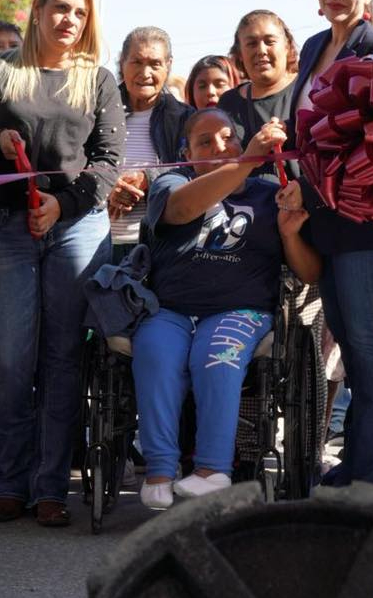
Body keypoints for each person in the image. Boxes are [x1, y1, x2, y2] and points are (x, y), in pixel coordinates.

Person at [0, 0, 124, 528]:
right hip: (5, 224)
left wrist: (62, 207)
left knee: (62, 358)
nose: (68, 20)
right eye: (60, 8)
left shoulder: (98, 80)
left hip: (76, 226)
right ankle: (11, 484)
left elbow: (106, 163)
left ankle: (51, 488)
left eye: (79, 12)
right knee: (8, 360)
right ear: (36, 10)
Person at [134, 110, 321, 509]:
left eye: (228, 138)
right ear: (185, 152)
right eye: (206, 142)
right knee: (154, 353)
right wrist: (247, 158)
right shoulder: (172, 182)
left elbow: (309, 272)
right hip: (172, 309)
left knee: (217, 356)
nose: (220, 146)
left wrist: (290, 236)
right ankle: (160, 471)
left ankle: (212, 470)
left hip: (242, 310)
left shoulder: (269, 191)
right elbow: (182, 211)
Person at [285, 0, 373, 488]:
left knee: (366, 339)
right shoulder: (314, 44)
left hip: (366, 216)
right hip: (321, 215)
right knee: (347, 338)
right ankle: (359, 460)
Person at [108, 28, 192, 261]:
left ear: (168, 65)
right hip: (100, 243)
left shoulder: (184, 118)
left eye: (155, 64)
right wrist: (106, 186)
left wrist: (148, 177)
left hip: (160, 246)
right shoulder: (98, 113)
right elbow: (76, 164)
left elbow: (196, 170)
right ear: (122, 62)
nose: (145, 73)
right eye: (136, 61)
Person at [218, 10, 299, 178]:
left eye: (269, 41)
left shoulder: (308, 89)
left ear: (287, 46)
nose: (261, 50)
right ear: (240, 53)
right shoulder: (228, 103)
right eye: (251, 44)